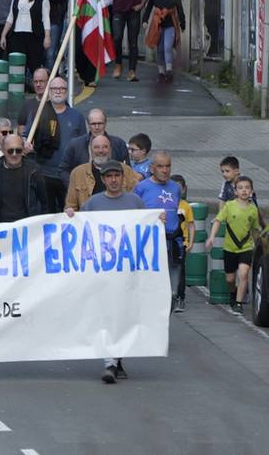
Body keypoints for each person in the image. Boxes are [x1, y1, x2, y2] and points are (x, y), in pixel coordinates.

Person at [66, 159, 147, 385]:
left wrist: (157, 220)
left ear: (123, 178)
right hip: (103, 271)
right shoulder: (94, 204)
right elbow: (81, 230)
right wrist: (71, 217)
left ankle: (117, 358)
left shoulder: (135, 202)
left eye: (117, 176)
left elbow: (145, 230)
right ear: (103, 180)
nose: (113, 180)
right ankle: (109, 362)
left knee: (123, 314)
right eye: (109, 176)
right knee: (106, 314)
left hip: (127, 270)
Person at [133, 151, 187, 311]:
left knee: (171, 292)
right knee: (152, 289)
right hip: (151, 244)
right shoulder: (141, 188)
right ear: (151, 168)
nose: (164, 170)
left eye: (168, 166)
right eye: (160, 166)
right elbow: (135, 215)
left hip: (173, 243)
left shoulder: (176, 188)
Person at [206, 176, 260, 315]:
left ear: (252, 191)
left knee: (243, 275)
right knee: (230, 279)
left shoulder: (253, 210)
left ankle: (238, 303)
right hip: (229, 248)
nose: (244, 191)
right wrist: (212, 237)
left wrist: (258, 244)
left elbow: (254, 229)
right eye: (240, 188)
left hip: (246, 247)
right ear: (235, 191)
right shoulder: (229, 206)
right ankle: (232, 293)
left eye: (247, 188)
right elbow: (218, 220)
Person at [39, 77, 86, 211]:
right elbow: (27, 137)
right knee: (46, 214)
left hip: (68, 176)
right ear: (49, 91)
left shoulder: (77, 116)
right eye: (54, 88)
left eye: (62, 88)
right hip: (44, 174)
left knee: (68, 212)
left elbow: (83, 145)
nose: (58, 91)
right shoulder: (38, 114)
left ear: (66, 91)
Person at [0, 134, 48, 224]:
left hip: (28, 228)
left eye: (18, 150)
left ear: (23, 150)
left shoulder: (34, 171)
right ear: (3, 150)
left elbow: (44, 202)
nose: (14, 154)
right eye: (10, 151)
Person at [108, 0, 152, 81]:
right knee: (117, 38)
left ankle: (132, 71)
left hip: (134, 11)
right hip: (118, 10)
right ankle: (118, 65)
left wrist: (142, 4)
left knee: (133, 42)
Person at [64, 135, 138, 212]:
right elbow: (71, 205)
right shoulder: (77, 173)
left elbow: (136, 199)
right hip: (90, 221)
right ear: (90, 150)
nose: (101, 151)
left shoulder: (126, 170)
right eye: (96, 147)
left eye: (105, 147)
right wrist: (69, 212)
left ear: (110, 150)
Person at [0, 0, 52, 79]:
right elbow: (10, 17)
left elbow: (46, 18)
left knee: (35, 64)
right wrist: (3, 35)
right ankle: (18, 89)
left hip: (34, 36)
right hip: (16, 35)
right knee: (17, 65)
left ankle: (39, 86)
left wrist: (47, 36)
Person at [143, 0, 186, 83]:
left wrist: (182, 22)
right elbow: (149, 7)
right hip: (158, 23)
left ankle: (169, 71)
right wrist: (145, 20)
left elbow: (179, 8)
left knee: (168, 47)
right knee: (160, 48)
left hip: (170, 24)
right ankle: (161, 72)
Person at [61, 109, 130, 175]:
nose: (97, 127)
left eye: (100, 123)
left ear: (105, 123)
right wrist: (73, 185)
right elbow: (64, 169)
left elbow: (127, 169)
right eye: (93, 124)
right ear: (88, 124)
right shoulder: (75, 145)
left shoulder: (119, 144)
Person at [170, 174, 196, 313]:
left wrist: (191, 242)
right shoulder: (166, 203)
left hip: (181, 243)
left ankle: (180, 297)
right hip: (168, 241)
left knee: (180, 271)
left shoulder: (186, 207)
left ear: (184, 189)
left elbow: (191, 225)